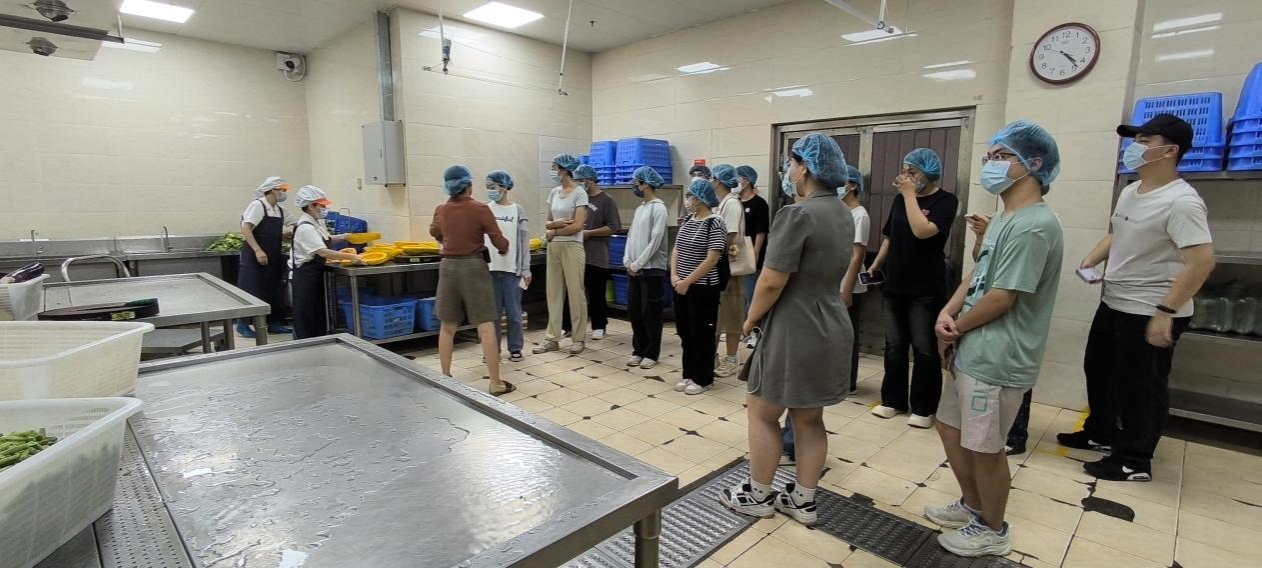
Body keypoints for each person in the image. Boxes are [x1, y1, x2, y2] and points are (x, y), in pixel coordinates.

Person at [928, 121, 1063, 557]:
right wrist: (948, 312)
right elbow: (979, 275)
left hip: (999, 354)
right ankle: (973, 505)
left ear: (1034, 164)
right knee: (950, 427)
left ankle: (993, 529)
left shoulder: (1034, 226)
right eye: (990, 156)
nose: (991, 163)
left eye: (1001, 156)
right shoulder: (1005, 218)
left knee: (985, 447)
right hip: (973, 345)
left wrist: (957, 327)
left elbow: (1003, 297)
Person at [1058, 113, 1215, 481]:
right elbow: (1118, 233)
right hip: (1116, 300)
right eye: (1135, 140)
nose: (1134, 147)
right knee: (1099, 370)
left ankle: (1134, 459)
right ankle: (1101, 432)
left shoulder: (1181, 202)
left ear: (1170, 151)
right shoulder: (1132, 190)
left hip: (1151, 307)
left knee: (1140, 386)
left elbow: (1202, 261)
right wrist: (1091, 259)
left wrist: (1165, 311)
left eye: (1145, 141)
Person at [719, 133, 853, 527]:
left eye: (791, 163)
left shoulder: (798, 214)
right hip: (830, 321)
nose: (787, 170)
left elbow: (772, 281)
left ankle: (758, 494)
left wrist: (749, 320)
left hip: (795, 326)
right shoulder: (843, 212)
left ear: (805, 166)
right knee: (809, 418)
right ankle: (803, 500)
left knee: (762, 412)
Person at [868, 147, 959, 429]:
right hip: (895, 282)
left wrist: (909, 196)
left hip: (925, 286)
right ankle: (893, 400)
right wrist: (877, 264)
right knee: (894, 346)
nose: (906, 176)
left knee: (924, 348)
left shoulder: (946, 201)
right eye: (904, 170)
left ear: (929, 172)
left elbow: (923, 231)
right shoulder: (899, 199)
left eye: (912, 171)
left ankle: (924, 407)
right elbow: (890, 236)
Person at [431, 165, 512, 395]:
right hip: (474, 267)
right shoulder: (480, 209)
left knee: (447, 326)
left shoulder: (441, 209)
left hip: (448, 268)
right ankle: (495, 383)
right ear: (469, 185)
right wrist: (504, 247)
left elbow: (434, 231)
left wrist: (447, 237)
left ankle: (445, 377)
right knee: (486, 326)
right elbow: (498, 240)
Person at [967, 211, 1034, 456]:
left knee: (1011, 380)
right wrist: (981, 236)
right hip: (988, 312)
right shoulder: (1000, 219)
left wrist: (959, 326)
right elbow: (981, 262)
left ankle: (1015, 436)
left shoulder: (1035, 225)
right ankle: (989, 433)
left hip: (1016, 318)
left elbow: (1009, 285)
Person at [671, 178, 727, 395]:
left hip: (703, 288)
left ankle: (703, 378)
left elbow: (712, 258)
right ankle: (689, 373)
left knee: (701, 333)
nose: (688, 200)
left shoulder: (715, 222)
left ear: (701, 198)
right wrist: (675, 275)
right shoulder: (689, 219)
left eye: (691, 196)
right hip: (680, 285)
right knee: (685, 332)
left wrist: (688, 281)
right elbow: (677, 248)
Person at [534, 154, 590, 355]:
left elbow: (577, 226)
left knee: (576, 293)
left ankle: (578, 338)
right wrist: (555, 225)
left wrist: (554, 231)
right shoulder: (554, 192)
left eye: (554, 167)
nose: (552, 171)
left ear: (564, 170)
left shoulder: (580, 193)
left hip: (572, 246)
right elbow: (548, 222)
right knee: (554, 293)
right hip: (554, 248)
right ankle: (552, 338)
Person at [289, 185, 362, 340]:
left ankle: (319, 342)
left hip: (315, 275)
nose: (325, 208)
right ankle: (306, 344)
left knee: (317, 313)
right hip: (305, 277)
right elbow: (322, 251)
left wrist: (344, 236)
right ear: (311, 206)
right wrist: (352, 257)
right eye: (322, 205)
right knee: (307, 315)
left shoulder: (316, 222)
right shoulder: (305, 227)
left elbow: (325, 239)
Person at [562, 165, 622, 341]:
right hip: (575, 253)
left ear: (589, 180)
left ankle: (599, 325)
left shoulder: (606, 201)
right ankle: (568, 326)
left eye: (580, 180)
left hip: (596, 256)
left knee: (596, 293)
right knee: (572, 293)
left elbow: (614, 226)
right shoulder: (577, 198)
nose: (577, 184)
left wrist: (589, 233)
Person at [624, 166, 670, 369]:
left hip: (651, 269)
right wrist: (627, 259)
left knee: (650, 312)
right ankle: (638, 350)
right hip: (634, 268)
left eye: (636, 183)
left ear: (645, 184)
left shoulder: (659, 208)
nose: (634, 186)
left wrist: (638, 263)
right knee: (635, 311)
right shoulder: (640, 208)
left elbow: (655, 240)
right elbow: (631, 236)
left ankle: (652, 352)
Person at [484, 170, 531, 363]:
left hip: (512, 270)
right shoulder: (485, 210)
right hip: (490, 269)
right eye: (488, 187)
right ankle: (492, 349)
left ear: (504, 187)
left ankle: (515, 348)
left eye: (493, 187)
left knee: (514, 314)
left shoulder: (517, 210)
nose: (490, 190)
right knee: (492, 314)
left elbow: (524, 241)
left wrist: (526, 269)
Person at [236, 176, 292, 338]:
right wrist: (257, 250)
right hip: (254, 257)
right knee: (251, 289)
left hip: (273, 256)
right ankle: (243, 324)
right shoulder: (258, 205)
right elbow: (246, 228)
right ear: (273, 190)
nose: (284, 193)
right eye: (283, 189)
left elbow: (295, 223)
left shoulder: (280, 209)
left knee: (273, 289)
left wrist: (286, 234)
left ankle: (274, 323)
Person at [711, 164, 747, 377]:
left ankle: (732, 359)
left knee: (732, 315)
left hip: (731, 269)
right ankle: (712, 355)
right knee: (716, 315)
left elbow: (729, 236)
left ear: (718, 181)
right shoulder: (721, 203)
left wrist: (711, 252)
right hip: (719, 268)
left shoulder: (732, 204)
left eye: (713, 178)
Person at [840, 165, 871, 394]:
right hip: (834, 281)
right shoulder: (841, 211)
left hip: (849, 284)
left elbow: (857, 255)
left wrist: (847, 289)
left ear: (851, 186)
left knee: (847, 335)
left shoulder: (860, 215)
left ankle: (847, 383)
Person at [738, 166, 769, 321]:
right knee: (738, 295)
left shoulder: (759, 203)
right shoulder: (735, 202)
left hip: (751, 253)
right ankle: (738, 326)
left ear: (746, 180)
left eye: (738, 178)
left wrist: (755, 253)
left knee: (750, 293)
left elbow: (761, 231)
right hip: (737, 253)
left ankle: (751, 326)